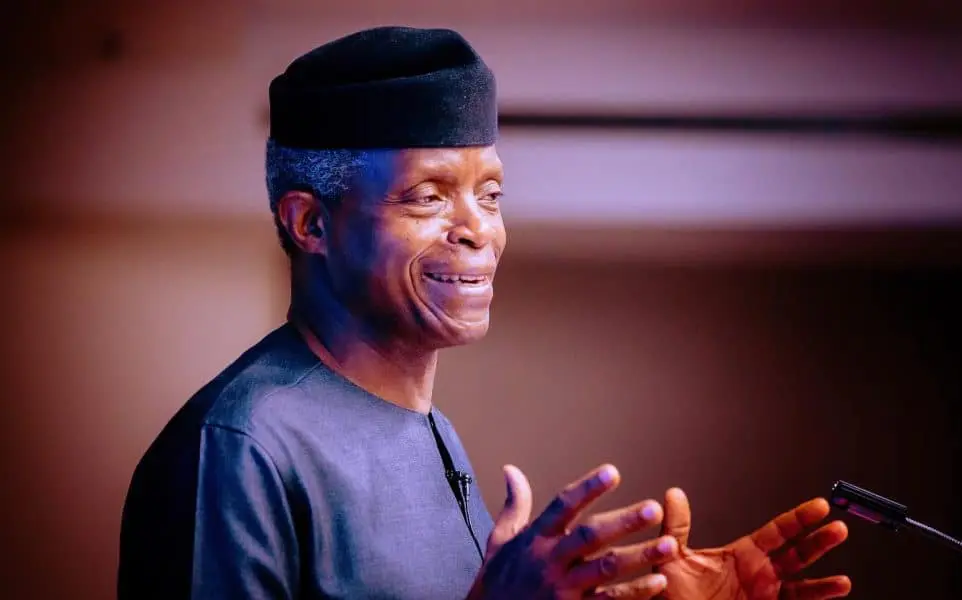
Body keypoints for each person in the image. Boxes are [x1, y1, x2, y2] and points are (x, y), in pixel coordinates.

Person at [117, 26, 851, 600]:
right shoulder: (243, 447)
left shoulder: (432, 435)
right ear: (311, 223)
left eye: (491, 195)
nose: (479, 230)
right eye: (428, 196)